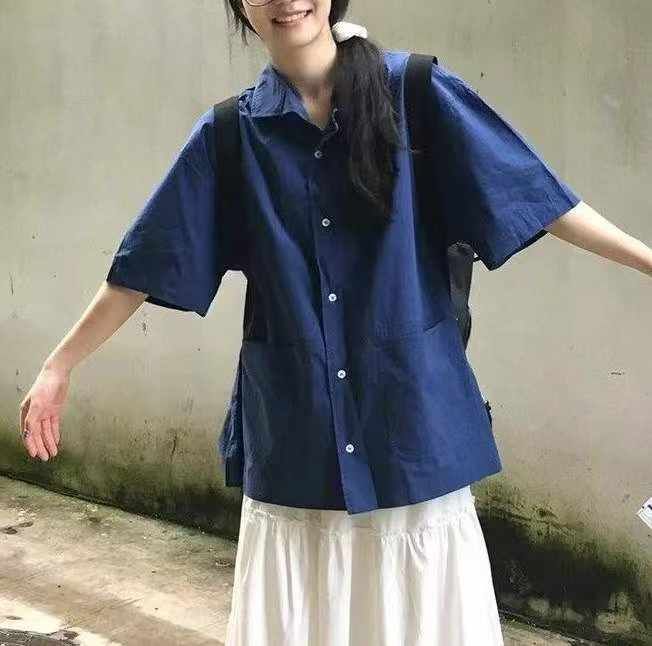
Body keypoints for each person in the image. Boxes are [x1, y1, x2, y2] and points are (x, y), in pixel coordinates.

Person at [18, 1, 652, 644]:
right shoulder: (230, 136)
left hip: (412, 434)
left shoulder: (416, 92)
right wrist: (59, 365)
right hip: (298, 445)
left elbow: (537, 197)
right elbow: (144, 266)